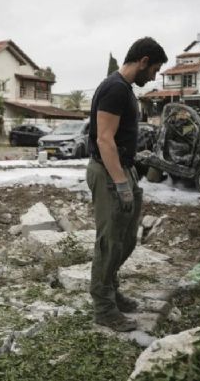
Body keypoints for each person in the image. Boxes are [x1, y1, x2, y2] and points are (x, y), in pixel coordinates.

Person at [86, 37, 167, 331]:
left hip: (122, 170)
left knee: (126, 240)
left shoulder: (125, 90)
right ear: (143, 61)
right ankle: (104, 308)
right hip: (109, 174)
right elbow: (104, 139)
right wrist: (120, 183)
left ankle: (111, 289)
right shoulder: (114, 89)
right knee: (109, 243)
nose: (154, 76)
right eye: (155, 69)